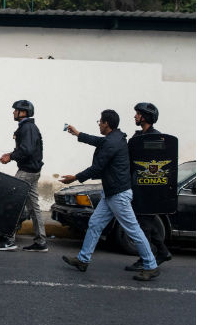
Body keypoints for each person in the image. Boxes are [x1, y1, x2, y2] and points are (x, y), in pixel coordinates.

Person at [60, 110, 160, 282]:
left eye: (100, 121)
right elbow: (98, 141)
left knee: (133, 230)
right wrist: (78, 134)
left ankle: (151, 265)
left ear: (106, 123)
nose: (98, 123)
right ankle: (83, 260)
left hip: (118, 194)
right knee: (95, 223)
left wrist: (75, 178)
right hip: (111, 192)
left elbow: (97, 167)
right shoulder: (114, 138)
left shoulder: (112, 143)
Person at [125, 102, 172, 271]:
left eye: (138, 114)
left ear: (145, 117)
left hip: (150, 189)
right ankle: (162, 251)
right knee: (146, 224)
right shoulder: (139, 136)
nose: (135, 116)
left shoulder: (156, 138)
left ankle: (145, 260)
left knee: (143, 225)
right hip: (139, 188)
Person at [0, 100, 47, 252]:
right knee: (33, 207)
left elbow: (27, 150)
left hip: (26, 172)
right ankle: (41, 241)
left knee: (12, 203)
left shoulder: (27, 128)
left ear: (23, 112)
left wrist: (10, 156)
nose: (13, 112)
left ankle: (9, 240)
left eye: (16, 110)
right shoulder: (27, 127)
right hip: (32, 171)